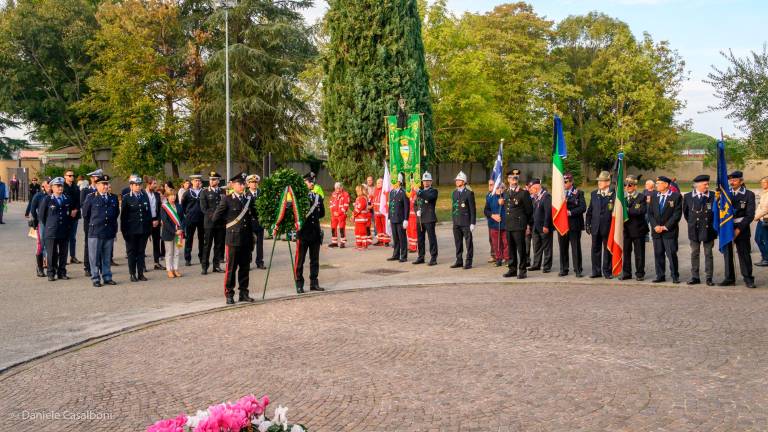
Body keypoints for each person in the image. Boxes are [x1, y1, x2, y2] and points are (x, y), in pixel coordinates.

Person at [213, 173, 256, 304]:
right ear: (233, 185)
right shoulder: (227, 199)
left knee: (245, 268)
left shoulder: (248, 199)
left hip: (246, 239)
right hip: (233, 239)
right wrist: (229, 227)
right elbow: (216, 217)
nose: (242, 186)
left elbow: (255, 215)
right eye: (240, 184)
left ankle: (243, 292)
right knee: (231, 268)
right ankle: (229, 294)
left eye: (243, 184)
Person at [720, 171, 756, 288]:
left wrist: (738, 230)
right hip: (727, 227)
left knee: (744, 254)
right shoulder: (725, 194)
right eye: (730, 180)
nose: (732, 182)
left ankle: (748, 278)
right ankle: (729, 277)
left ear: (741, 181)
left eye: (735, 180)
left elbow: (750, 215)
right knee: (728, 254)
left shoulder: (749, 194)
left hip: (742, 227)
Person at [81, 175, 120, 287]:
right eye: (103, 184)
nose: (105, 186)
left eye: (107, 184)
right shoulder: (91, 197)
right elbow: (85, 214)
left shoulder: (113, 197)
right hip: (96, 232)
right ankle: (95, 278)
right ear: (97, 185)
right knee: (94, 257)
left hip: (109, 231)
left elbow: (116, 212)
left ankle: (107, 277)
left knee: (107, 257)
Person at [682, 174, 717, 286]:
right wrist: (693, 223)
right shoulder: (688, 196)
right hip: (694, 229)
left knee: (708, 254)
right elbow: (686, 213)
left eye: (707, 184)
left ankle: (709, 277)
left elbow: (715, 213)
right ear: (697, 185)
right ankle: (695, 276)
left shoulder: (713, 195)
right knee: (694, 253)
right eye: (705, 184)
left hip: (708, 229)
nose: (707, 186)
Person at [648, 175, 683, 284]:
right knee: (658, 253)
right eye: (656, 183)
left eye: (658, 183)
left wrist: (665, 226)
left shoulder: (676, 196)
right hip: (656, 231)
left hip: (669, 231)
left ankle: (675, 276)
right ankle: (660, 275)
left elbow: (677, 214)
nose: (656, 185)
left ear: (666, 185)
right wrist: (655, 226)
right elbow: (650, 213)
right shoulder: (654, 195)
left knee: (671, 254)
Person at [295, 173, 326, 293]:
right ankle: (299, 283)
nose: (312, 183)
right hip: (303, 233)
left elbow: (322, 213)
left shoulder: (318, 197)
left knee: (315, 260)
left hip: (315, 233)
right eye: (309, 181)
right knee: (300, 260)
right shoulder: (299, 198)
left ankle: (314, 283)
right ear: (304, 183)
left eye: (313, 181)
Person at [39, 177, 72, 281]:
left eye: (61, 186)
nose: (60, 188)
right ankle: (50, 273)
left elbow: (69, 215)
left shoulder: (66, 199)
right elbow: (42, 216)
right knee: (52, 253)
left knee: (63, 253)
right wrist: (50, 225)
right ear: (52, 187)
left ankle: (62, 272)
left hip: (64, 230)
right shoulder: (47, 199)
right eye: (57, 186)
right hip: (52, 231)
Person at [502, 170, 533, 279]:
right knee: (511, 249)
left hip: (519, 225)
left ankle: (522, 270)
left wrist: (527, 225)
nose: (513, 180)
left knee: (521, 249)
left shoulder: (523, 193)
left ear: (517, 180)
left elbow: (529, 210)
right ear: (508, 180)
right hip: (509, 225)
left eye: (515, 178)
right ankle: (512, 269)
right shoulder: (505, 192)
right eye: (511, 178)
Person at [121, 175, 152, 282]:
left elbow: (148, 213)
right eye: (136, 185)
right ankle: (132, 273)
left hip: (143, 230)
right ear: (131, 186)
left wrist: (149, 229)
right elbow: (123, 217)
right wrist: (124, 232)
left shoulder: (144, 196)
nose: (138, 187)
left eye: (139, 185)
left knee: (141, 252)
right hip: (131, 231)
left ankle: (140, 273)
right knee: (131, 252)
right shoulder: (126, 198)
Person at [586, 171, 615, 279]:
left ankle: (607, 271)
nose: (599, 183)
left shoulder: (614, 194)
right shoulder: (594, 194)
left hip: (608, 227)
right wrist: (587, 224)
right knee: (595, 249)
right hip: (595, 227)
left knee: (607, 250)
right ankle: (596, 271)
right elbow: (590, 211)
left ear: (608, 182)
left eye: (601, 181)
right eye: (598, 181)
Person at [621, 175, 649, 281]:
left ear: (635, 186)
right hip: (626, 229)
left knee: (639, 253)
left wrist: (626, 210)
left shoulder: (641, 197)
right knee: (626, 253)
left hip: (638, 229)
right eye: (625, 185)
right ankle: (627, 273)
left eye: (630, 185)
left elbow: (641, 211)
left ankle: (640, 273)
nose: (627, 187)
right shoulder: (621, 197)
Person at [558, 173, 586, 277]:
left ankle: (578, 269)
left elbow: (583, 207)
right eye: (563, 182)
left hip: (574, 224)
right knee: (562, 247)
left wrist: (570, 212)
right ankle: (564, 269)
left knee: (575, 247)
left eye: (566, 182)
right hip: (561, 225)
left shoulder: (579, 193)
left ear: (571, 182)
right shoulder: (559, 194)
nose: (564, 184)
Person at [200, 171, 225, 275]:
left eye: (214, 179)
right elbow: (204, 208)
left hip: (220, 223)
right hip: (209, 223)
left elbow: (225, 206)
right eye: (210, 179)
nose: (211, 181)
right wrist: (214, 216)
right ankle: (204, 266)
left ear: (218, 181)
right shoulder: (204, 192)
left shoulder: (222, 191)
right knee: (207, 245)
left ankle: (216, 265)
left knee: (218, 245)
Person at [449, 171, 476, 269]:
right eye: (456, 180)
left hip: (466, 222)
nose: (456, 181)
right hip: (456, 222)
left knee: (468, 242)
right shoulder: (454, 193)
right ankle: (459, 260)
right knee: (458, 242)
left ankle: (468, 261)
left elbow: (473, 209)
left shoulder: (469, 193)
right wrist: (453, 219)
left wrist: (472, 223)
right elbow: (454, 207)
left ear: (464, 181)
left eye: (459, 180)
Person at [80, 169, 103, 277]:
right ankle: (87, 267)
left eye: (99, 177)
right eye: (95, 177)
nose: (97, 179)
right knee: (88, 245)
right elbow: (84, 208)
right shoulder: (85, 191)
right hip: (90, 222)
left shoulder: (103, 190)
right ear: (92, 179)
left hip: (101, 223)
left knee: (101, 244)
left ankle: (99, 266)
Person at [414, 171, 438, 266]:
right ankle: (421, 256)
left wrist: (419, 192)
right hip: (420, 218)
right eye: (424, 181)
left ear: (431, 182)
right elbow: (415, 204)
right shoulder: (420, 192)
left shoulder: (433, 191)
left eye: (428, 181)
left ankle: (433, 257)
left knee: (431, 238)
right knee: (420, 239)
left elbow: (428, 196)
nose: (426, 183)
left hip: (429, 218)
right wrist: (417, 211)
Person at [160, 188, 185, 278]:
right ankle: (169, 269)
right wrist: (174, 231)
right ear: (167, 197)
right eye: (171, 195)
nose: (173, 197)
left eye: (174, 195)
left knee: (177, 252)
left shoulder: (179, 206)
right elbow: (165, 221)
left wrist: (181, 229)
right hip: (169, 233)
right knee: (169, 253)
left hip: (179, 233)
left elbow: (183, 219)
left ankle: (176, 269)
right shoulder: (164, 207)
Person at [530, 179, 553, 273]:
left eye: (531, 189)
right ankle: (536, 264)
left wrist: (546, 225)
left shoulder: (546, 196)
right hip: (536, 226)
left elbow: (548, 212)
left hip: (544, 226)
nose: (530, 191)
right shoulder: (535, 197)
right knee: (537, 246)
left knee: (547, 247)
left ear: (536, 187)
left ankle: (547, 266)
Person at [182, 174, 205, 266]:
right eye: (195, 180)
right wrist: (188, 214)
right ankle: (188, 258)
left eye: (199, 181)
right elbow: (183, 205)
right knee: (189, 239)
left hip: (201, 218)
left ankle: (202, 257)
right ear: (192, 182)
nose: (197, 182)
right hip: (190, 219)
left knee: (202, 239)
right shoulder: (187, 193)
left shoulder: (203, 192)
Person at [29, 179, 50, 277]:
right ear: (43, 186)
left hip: (52, 223)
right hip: (41, 223)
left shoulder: (54, 196)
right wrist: (37, 221)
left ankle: (51, 266)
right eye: (48, 185)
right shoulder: (38, 196)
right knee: (41, 244)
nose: (50, 187)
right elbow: (33, 210)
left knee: (51, 244)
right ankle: (40, 268)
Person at [387, 173, 409, 262]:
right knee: (395, 238)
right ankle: (395, 254)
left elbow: (406, 207)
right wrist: (389, 217)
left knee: (402, 238)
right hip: (393, 219)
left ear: (400, 182)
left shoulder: (403, 193)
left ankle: (403, 256)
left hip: (400, 220)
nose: (393, 183)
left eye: (395, 181)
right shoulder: (392, 192)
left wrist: (406, 219)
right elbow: (390, 206)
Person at [144, 176, 165, 271]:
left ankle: (156, 263)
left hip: (156, 221)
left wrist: (158, 220)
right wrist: (150, 221)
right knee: (143, 244)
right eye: (154, 184)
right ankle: (142, 265)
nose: (156, 186)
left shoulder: (156, 194)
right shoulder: (143, 194)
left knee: (156, 243)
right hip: (146, 222)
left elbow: (160, 208)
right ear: (149, 184)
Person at [485, 180, 507, 267]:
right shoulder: (490, 197)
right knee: (496, 243)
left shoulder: (507, 197)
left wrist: (503, 202)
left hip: (505, 225)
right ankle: (498, 258)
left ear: (504, 189)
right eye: (497, 187)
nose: (499, 189)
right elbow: (486, 210)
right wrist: (492, 215)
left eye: (501, 187)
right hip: (494, 224)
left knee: (506, 243)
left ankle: (507, 258)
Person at [246, 174, 266, 269]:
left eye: (256, 182)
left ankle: (260, 261)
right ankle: (247, 262)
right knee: (249, 243)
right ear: (248, 184)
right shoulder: (246, 195)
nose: (254, 184)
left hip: (260, 222)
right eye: (252, 182)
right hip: (249, 222)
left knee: (260, 244)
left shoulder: (262, 193)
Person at [62, 169, 81, 264]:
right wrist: (69, 211)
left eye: (73, 175)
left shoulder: (76, 187)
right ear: (65, 176)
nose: (72, 177)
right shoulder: (62, 187)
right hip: (66, 215)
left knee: (72, 237)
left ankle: (73, 256)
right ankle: (63, 258)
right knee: (65, 237)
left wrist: (76, 210)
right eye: (69, 175)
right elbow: (62, 201)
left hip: (75, 215)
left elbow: (79, 200)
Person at [328, 182, 350, 248]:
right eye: (336, 188)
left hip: (341, 215)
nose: (337, 189)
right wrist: (333, 212)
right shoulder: (333, 194)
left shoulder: (345, 194)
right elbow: (331, 204)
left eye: (338, 187)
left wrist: (339, 213)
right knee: (333, 228)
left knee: (341, 228)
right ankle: (334, 242)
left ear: (341, 187)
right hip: (334, 215)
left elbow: (346, 205)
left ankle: (343, 242)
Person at [352, 184, 371, 250]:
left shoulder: (363, 198)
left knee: (362, 232)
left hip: (362, 218)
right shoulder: (358, 198)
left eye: (358, 190)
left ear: (361, 190)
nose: (356, 192)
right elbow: (356, 207)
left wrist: (353, 214)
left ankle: (364, 245)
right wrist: (353, 216)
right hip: (357, 218)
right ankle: (359, 244)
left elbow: (359, 208)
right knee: (357, 232)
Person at [755, 176, 768, 267]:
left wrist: (755, 217)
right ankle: (765, 258)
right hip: (761, 219)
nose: (762, 184)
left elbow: (765, 209)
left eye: (764, 182)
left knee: (763, 240)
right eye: (761, 182)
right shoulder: (764, 193)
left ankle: (766, 259)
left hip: (765, 220)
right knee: (760, 239)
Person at [372, 178, 390, 246]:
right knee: (379, 228)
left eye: (379, 183)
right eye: (377, 183)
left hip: (383, 212)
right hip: (377, 213)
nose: (377, 184)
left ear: (383, 183)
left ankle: (386, 241)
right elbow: (374, 200)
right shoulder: (376, 190)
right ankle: (380, 240)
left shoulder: (385, 190)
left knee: (385, 227)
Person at [407, 183, 418, 252]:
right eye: (410, 183)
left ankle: (414, 247)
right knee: (409, 231)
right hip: (408, 216)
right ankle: (411, 245)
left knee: (413, 231)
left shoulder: (416, 194)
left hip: (414, 216)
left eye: (413, 183)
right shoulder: (409, 193)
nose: (411, 185)